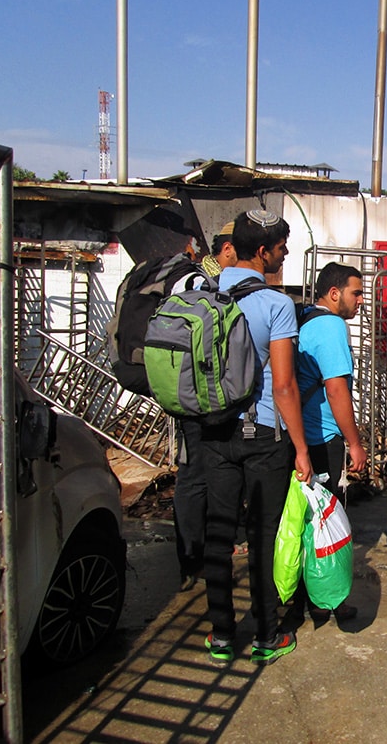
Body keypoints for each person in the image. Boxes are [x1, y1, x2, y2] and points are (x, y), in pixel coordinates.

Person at [201, 208, 312, 667]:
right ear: (263, 251)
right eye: (282, 247)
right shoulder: (276, 304)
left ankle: (222, 635)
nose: (285, 255)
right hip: (262, 433)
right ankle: (267, 634)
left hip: (211, 431)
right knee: (263, 536)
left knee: (218, 534)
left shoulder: (201, 292)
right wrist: (301, 449)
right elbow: (283, 385)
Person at [294, 261, 368, 621]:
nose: (360, 301)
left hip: (300, 441)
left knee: (303, 521)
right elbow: (337, 390)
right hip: (322, 440)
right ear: (334, 293)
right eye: (356, 293)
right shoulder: (331, 325)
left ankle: (302, 599)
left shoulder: (306, 321)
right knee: (326, 525)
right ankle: (327, 600)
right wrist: (355, 442)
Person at [175, 221, 243, 592]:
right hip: (200, 397)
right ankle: (193, 560)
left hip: (194, 393)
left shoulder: (197, 279)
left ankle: (198, 557)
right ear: (229, 249)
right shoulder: (204, 283)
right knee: (196, 476)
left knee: (198, 474)